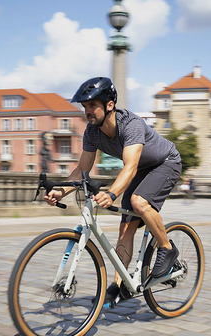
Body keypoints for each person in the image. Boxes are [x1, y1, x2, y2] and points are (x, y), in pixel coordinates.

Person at [44, 77, 182, 307]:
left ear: (109, 105)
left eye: (92, 106)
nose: (87, 112)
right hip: (141, 168)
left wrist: (112, 193)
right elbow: (81, 169)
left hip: (166, 162)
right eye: (85, 107)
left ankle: (167, 249)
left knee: (139, 202)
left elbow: (130, 166)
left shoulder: (131, 125)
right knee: (125, 227)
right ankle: (120, 285)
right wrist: (60, 191)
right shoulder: (92, 132)